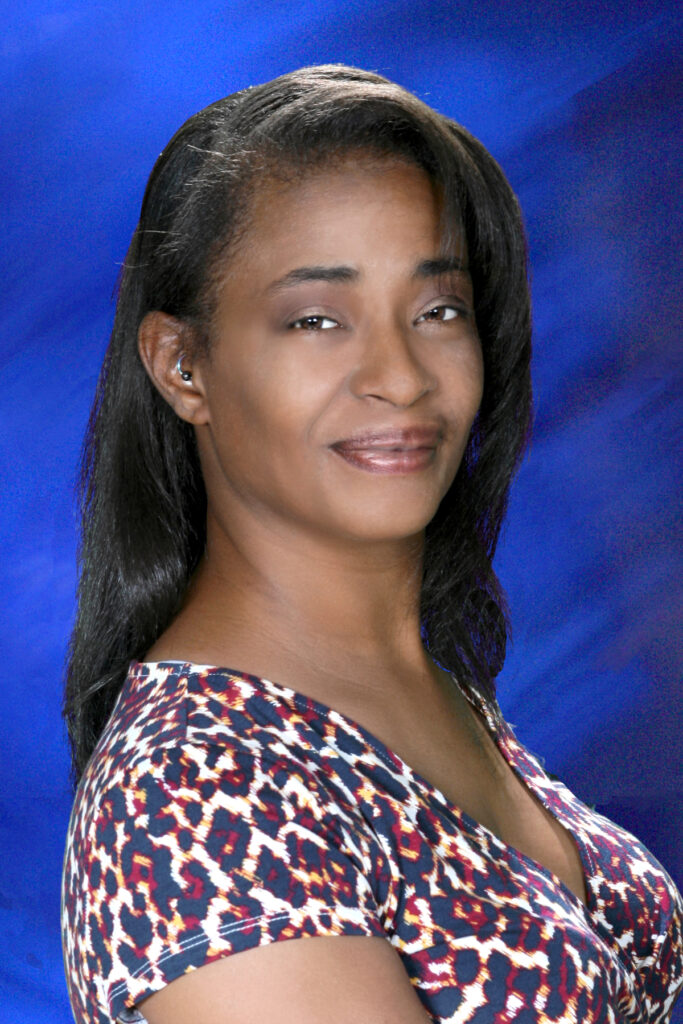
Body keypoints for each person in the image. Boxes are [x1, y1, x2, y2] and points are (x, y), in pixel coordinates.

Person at [60, 64, 682, 1024]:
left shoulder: (430, 687)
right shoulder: (197, 789)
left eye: (437, 311)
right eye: (317, 319)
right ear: (182, 367)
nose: (400, 375)